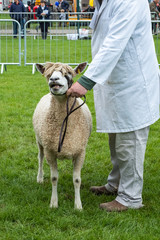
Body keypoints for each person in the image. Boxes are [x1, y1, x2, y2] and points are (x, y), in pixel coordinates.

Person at [67, 0, 160, 212]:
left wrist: (86, 81)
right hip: (115, 82)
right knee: (116, 137)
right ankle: (115, 184)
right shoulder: (104, 3)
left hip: (133, 84)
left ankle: (130, 198)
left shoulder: (129, 2)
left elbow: (114, 42)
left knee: (129, 140)